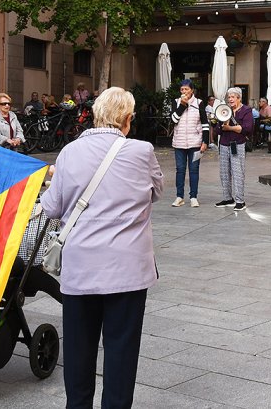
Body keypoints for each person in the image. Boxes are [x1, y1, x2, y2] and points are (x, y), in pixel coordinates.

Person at [40, 86, 162, 409]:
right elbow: (156, 190)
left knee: (79, 354)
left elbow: (51, 208)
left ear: (95, 116)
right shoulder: (142, 151)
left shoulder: (69, 153)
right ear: (126, 119)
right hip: (128, 271)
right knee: (121, 356)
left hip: (80, 271)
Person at [170, 80, 208, 207]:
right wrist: (182, 105)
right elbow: (174, 120)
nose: (184, 92)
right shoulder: (176, 102)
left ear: (192, 90)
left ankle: (193, 197)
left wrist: (205, 141)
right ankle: (179, 197)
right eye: (182, 90)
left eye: (186, 89)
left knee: (194, 170)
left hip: (195, 142)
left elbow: (205, 124)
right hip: (179, 142)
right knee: (180, 170)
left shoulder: (199, 103)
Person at [215, 87, 253, 211]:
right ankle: (227, 198)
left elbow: (247, 128)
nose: (230, 99)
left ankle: (240, 201)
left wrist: (230, 128)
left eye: (233, 97)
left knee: (238, 172)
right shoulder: (225, 110)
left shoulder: (246, 110)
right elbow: (218, 130)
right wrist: (221, 124)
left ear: (239, 98)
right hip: (224, 144)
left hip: (238, 144)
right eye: (229, 97)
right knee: (224, 172)